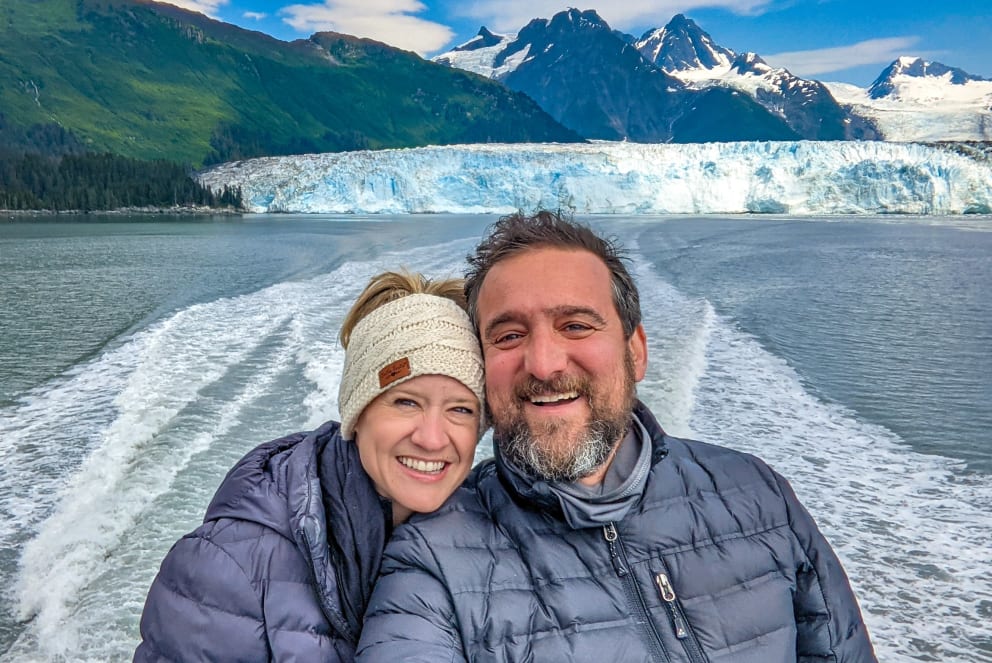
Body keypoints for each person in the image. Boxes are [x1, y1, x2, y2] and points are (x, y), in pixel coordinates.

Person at [356, 211, 877, 662]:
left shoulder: (761, 498)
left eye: (577, 326)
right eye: (509, 336)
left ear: (637, 352)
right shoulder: (431, 559)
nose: (543, 363)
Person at [133, 271, 485, 662]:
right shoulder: (225, 568)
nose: (432, 438)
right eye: (405, 402)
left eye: (461, 409)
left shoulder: (489, 536)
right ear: (357, 412)